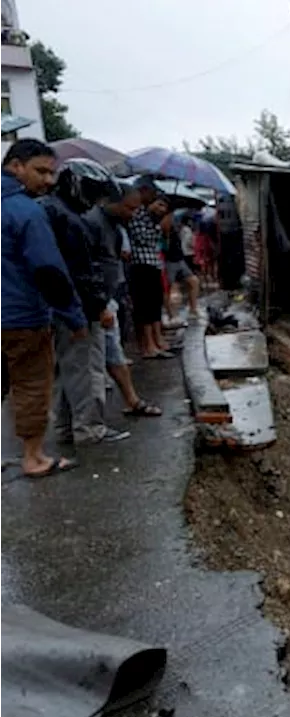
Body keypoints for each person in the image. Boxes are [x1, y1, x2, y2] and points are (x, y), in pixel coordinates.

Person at [0, 140, 86, 477]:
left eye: (52, 172)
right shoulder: (26, 211)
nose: (49, 180)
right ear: (16, 166)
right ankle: (33, 458)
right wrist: (75, 318)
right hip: (22, 318)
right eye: (41, 171)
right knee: (32, 385)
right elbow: (49, 272)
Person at [40, 158, 131, 445]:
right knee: (87, 368)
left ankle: (68, 428)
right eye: (94, 194)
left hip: (57, 307)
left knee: (68, 370)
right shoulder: (70, 221)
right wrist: (100, 306)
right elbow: (82, 273)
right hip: (78, 308)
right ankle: (90, 428)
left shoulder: (49, 210)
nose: (95, 202)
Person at [84, 183, 163, 418]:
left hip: (107, 298)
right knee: (91, 364)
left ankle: (132, 401)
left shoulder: (115, 226)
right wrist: (99, 304)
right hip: (94, 303)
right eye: (129, 208)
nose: (133, 214)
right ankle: (88, 424)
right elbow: (87, 268)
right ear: (112, 201)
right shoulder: (93, 224)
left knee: (113, 353)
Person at [125, 177, 173, 359]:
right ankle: (148, 345)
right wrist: (159, 228)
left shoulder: (146, 214)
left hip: (152, 263)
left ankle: (157, 340)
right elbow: (144, 238)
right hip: (141, 264)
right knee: (144, 307)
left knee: (154, 304)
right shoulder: (137, 213)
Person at [164, 209, 201, 319]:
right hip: (169, 261)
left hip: (180, 259)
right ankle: (171, 314)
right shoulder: (161, 229)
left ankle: (193, 309)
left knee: (194, 281)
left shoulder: (176, 227)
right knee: (168, 289)